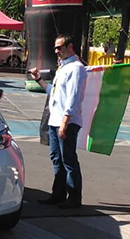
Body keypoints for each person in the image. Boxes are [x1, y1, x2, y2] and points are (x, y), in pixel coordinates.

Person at [29, 35, 87, 208]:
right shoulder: (63, 68)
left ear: (70, 47)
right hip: (55, 121)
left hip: (66, 122)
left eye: (59, 47)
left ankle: (74, 197)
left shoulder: (76, 68)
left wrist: (65, 122)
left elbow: (73, 97)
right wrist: (39, 79)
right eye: (55, 48)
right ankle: (59, 193)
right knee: (57, 158)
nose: (56, 51)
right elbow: (52, 93)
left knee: (68, 159)